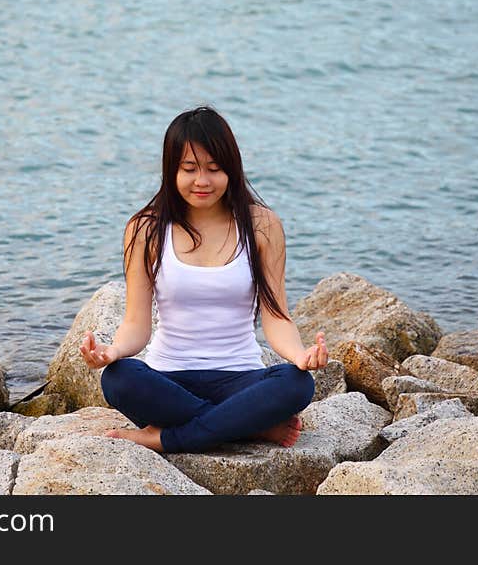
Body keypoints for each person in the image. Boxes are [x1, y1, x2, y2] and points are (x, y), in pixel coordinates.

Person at [79, 106, 328, 453]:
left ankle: (167, 437)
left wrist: (300, 355)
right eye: (189, 169)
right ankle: (247, 425)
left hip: (241, 378)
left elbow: (276, 315)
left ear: (232, 169)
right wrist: (113, 351)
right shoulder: (146, 229)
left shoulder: (261, 225)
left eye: (214, 169)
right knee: (119, 378)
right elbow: (136, 322)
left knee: (297, 384)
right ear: (172, 170)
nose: (202, 181)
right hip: (167, 379)